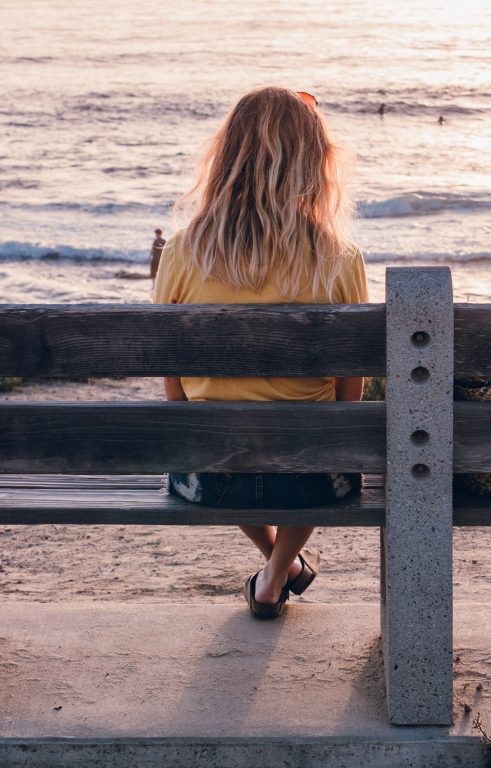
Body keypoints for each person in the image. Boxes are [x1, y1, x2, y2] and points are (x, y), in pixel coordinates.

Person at [154, 87, 368, 620]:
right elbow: (350, 393)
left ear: (227, 157)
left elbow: (172, 380)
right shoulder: (338, 260)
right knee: (325, 441)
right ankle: (277, 575)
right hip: (315, 480)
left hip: (209, 479)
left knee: (211, 438)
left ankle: (277, 571)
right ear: (312, 162)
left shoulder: (183, 251)